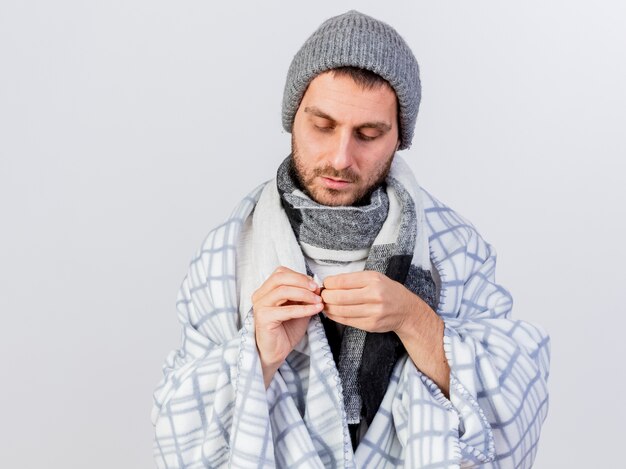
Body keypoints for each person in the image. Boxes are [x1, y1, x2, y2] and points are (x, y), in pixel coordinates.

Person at [151, 10, 550, 469]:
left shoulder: (455, 248)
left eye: (368, 134)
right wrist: (256, 355)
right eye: (322, 126)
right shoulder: (229, 253)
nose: (341, 158)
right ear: (292, 117)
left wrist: (415, 320)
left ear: (399, 138)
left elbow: (516, 408)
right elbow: (173, 431)